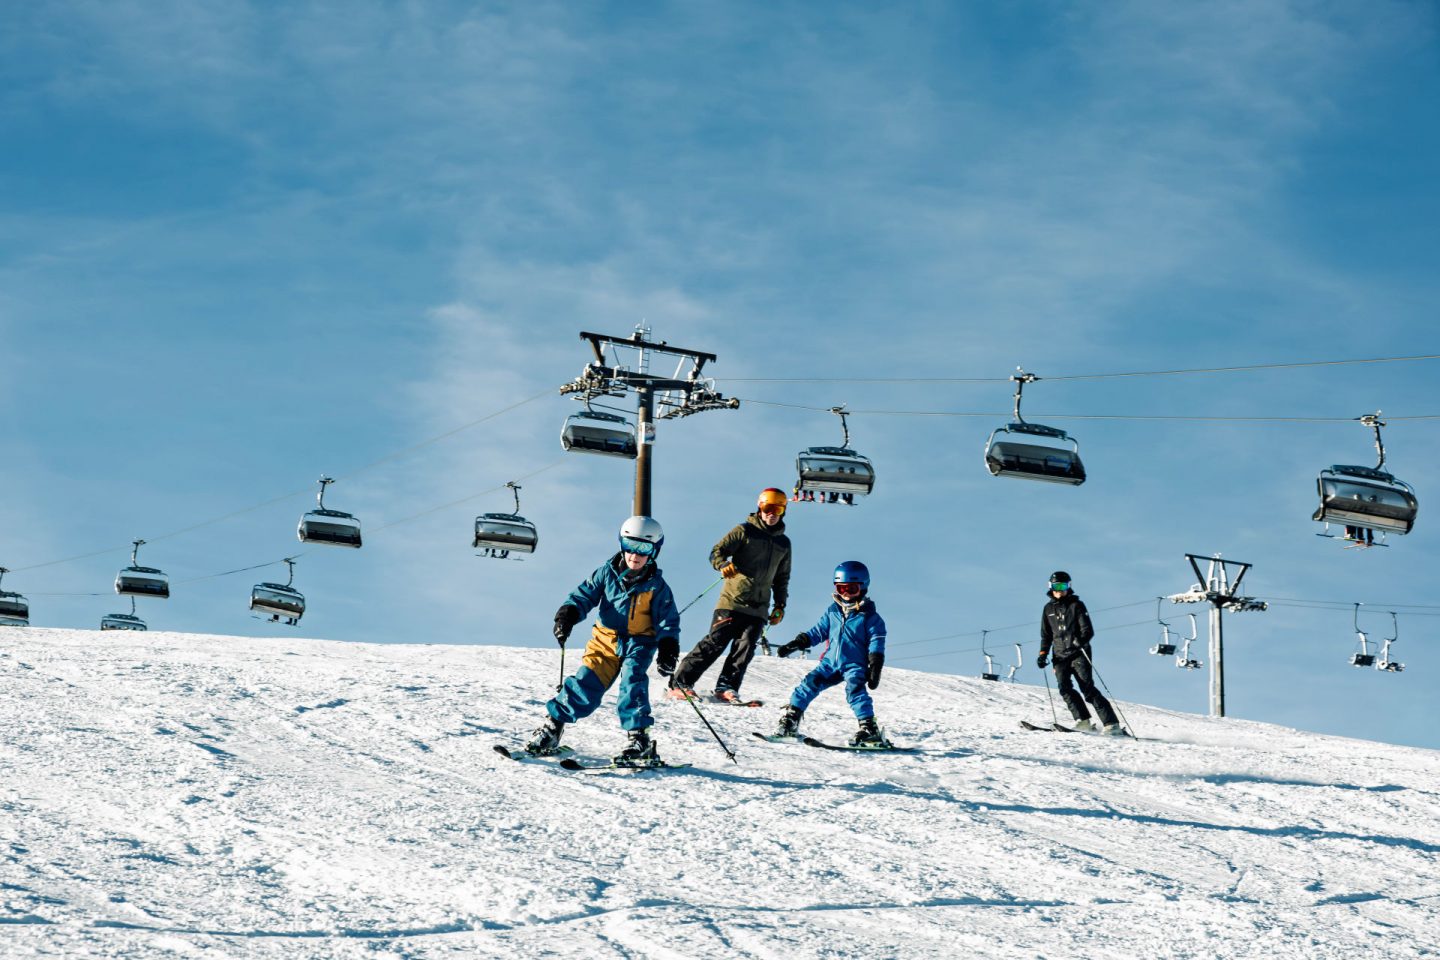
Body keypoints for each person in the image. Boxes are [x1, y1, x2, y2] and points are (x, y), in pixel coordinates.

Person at [523, 516, 681, 763]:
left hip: (640, 642)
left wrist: (668, 648)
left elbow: (667, 622)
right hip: (605, 640)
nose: (634, 555)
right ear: (621, 544)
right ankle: (553, 727)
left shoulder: (658, 587)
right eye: (630, 545)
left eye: (643, 549)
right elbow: (583, 596)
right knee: (586, 683)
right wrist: (567, 615)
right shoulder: (606, 573)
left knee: (633, 683)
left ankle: (639, 738)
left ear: (654, 551)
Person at [668, 487, 792, 702]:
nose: (772, 513)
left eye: (778, 509)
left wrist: (780, 605)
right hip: (733, 601)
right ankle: (681, 683)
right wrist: (723, 564)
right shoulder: (744, 530)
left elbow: (782, 578)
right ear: (760, 507)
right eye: (768, 507)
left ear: (783, 511)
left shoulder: (784, 543)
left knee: (745, 648)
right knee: (715, 642)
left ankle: (726, 687)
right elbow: (717, 552)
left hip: (759, 606)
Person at [772, 560, 887, 746]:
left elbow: (876, 643)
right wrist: (795, 644)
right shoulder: (833, 612)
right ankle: (791, 720)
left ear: (863, 588)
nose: (846, 594)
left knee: (855, 691)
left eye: (852, 589)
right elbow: (817, 632)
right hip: (829, 664)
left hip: (854, 665)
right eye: (841, 589)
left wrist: (875, 666)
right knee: (808, 685)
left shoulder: (871, 618)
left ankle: (869, 729)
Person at [1036, 570, 1123, 735]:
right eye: (1056, 586)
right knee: (1064, 688)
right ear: (1051, 587)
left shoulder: (1076, 605)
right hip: (1059, 656)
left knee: (1087, 689)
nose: (1060, 589)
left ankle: (1112, 725)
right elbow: (1046, 635)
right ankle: (1083, 721)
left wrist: (1080, 642)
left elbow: (1088, 630)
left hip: (1078, 653)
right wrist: (1042, 654)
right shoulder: (1048, 609)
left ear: (1069, 587)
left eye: (1063, 586)